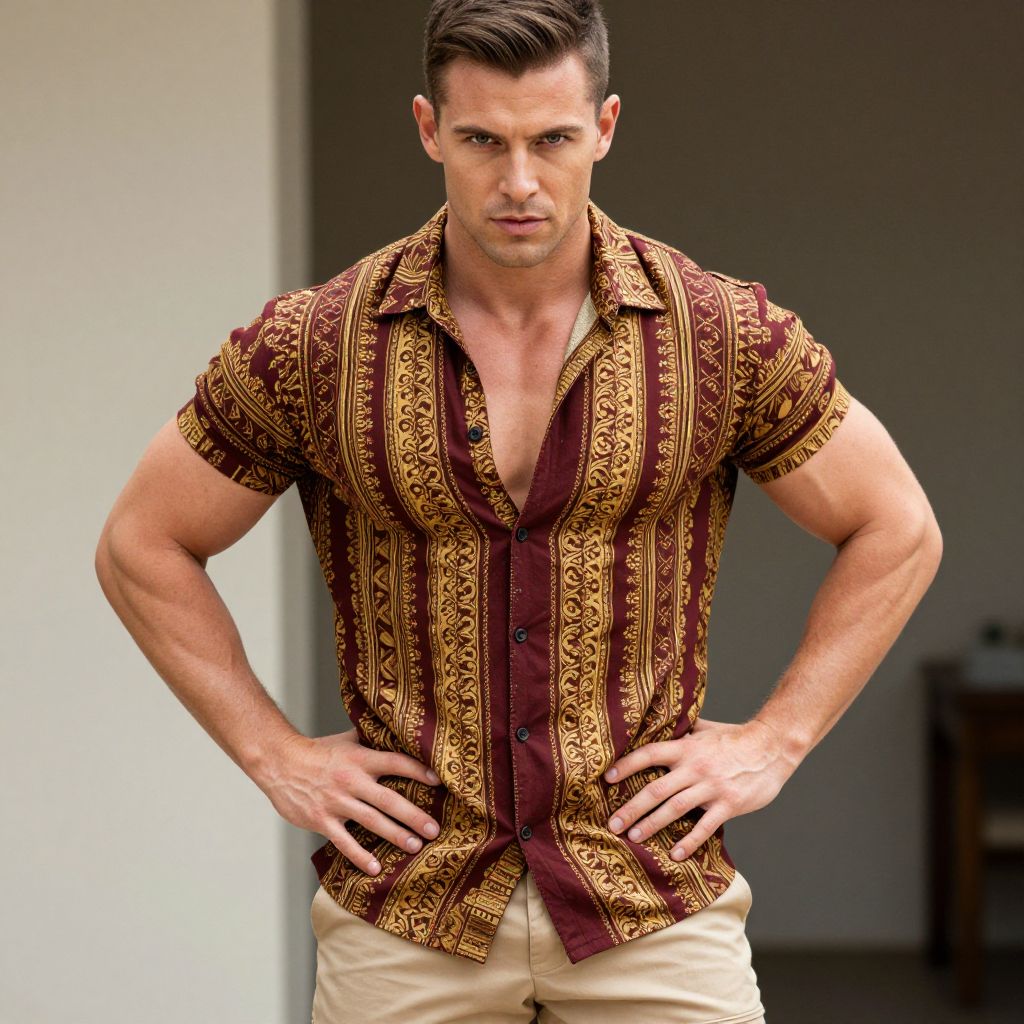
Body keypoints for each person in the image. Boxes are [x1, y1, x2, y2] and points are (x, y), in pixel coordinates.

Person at [95, 1, 943, 1021]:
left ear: (606, 127)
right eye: (482, 142)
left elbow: (895, 527)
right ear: (426, 129)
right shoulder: (318, 344)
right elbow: (143, 542)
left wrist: (778, 737)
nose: (519, 181)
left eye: (552, 139)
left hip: (646, 898)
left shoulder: (717, 334)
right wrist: (273, 753)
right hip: (410, 905)